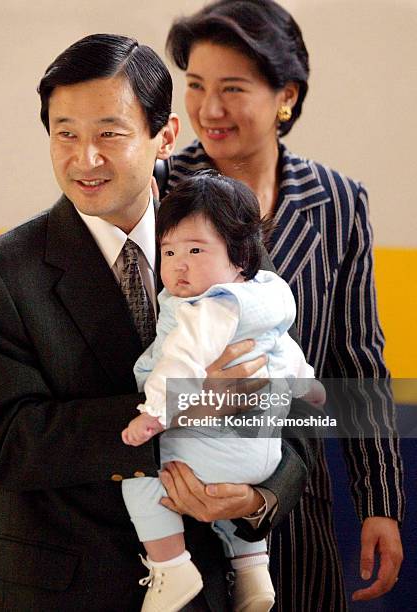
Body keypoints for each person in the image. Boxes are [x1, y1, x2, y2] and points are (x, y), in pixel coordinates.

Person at [0, 34, 317, 611]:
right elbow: (10, 446)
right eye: (65, 133)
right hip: (64, 594)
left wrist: (256, 500)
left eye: (109, 134)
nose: (84, 158)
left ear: (165, 136)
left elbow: (292, 407)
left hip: (214, 590)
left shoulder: (221, 238)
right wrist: (190, 403)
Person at [161, 1, 405, 610]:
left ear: (286, 97)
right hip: (179, 500)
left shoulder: (338, 202)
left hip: (291, 500)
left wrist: (379, 503)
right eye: (195, 86)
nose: (208, 110)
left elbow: (356, 362)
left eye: (232, 88)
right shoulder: (159, 190)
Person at [121, 172, 325, 612]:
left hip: (206, 457)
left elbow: (181, 360)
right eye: (169, 251)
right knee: (232, 521)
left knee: (140, 483)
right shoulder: (264, 297)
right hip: (260, 455)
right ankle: (253, 571)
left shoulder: (205, 308)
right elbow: (284, 350)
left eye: (195, 251)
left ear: (240, 258)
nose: (178, 264)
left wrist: (157, 411)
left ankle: (171, 566)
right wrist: (307, 383)